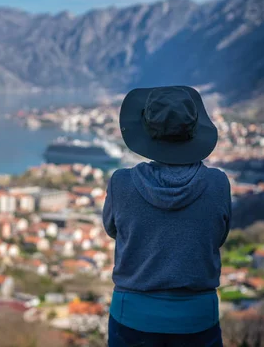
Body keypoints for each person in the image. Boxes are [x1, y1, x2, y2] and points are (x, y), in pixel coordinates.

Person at [103, 86, 231, 347]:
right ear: (195, 130)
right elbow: (218, 236)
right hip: (197, 318)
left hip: (133, 317)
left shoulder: (121, 183)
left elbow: (113, 230)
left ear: (147, 131)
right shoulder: (218, 184)